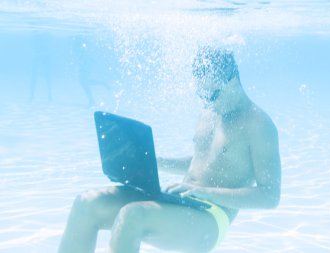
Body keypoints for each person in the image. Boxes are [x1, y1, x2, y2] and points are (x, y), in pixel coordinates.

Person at [58, 47, 281, 253]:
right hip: (179, 200)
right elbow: (203, 161)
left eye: (212, 95)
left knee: (132, 216)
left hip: (212, 216)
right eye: (202, 96)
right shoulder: (210, 110)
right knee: (86, 203)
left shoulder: (258, 125)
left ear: (233, 82)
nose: (208, 103)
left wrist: (205, 192)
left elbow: (270, 195)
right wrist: (155, 162)